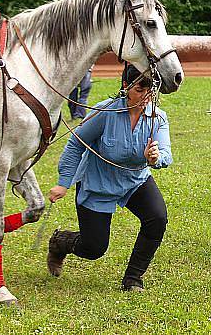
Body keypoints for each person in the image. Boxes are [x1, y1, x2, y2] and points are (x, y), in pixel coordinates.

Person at [47, 64, 172, 291]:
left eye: (150, 90)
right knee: (94, 248)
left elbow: (166, 154)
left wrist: (155, 158)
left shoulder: (158, 118)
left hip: (135, 181)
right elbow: (76, 144)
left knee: (157, 219)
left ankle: (133, 279)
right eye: (140, 89)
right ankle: (60, 242)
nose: (145, 96)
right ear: (126, 86)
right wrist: (63, 183)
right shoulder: (105, 112)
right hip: (98, 184)